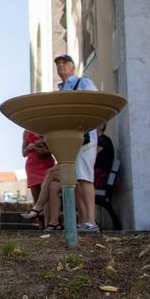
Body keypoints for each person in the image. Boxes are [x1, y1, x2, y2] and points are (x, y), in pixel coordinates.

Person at [54, 53, 99, 232]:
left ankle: (91, 220)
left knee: (85, 179)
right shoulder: (61, 89)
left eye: (64, 63)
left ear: (72, 66)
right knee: (77, 182)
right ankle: (83, 221)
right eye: (58, 64)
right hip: (70, 141)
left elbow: (96, 104)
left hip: (85, 138)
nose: (61, 66)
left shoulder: (83, 83)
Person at [22, 130, 56, 205]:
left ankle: (49, 216)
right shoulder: (26, 132)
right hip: (32, 166)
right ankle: (37, 215)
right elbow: (24, 153)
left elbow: (56, 148)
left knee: (49, 194)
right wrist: (28, 148)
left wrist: (46, 149)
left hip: (47, 164)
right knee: (36, 197)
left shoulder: (47, 128)